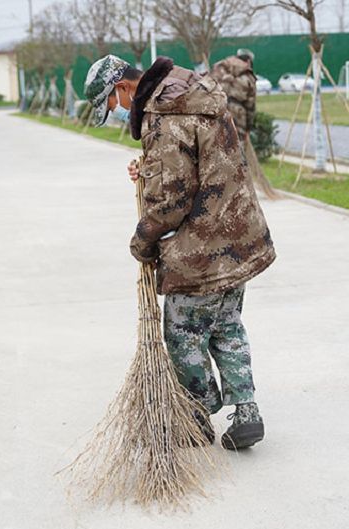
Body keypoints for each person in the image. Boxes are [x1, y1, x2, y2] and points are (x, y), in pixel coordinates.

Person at [84, 55, 277, 450]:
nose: (119, 113)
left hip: (203, 246)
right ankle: (246, 413)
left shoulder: (165, 114)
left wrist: (142, 241)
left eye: (113, 105)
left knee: (183, 333)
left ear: (123, 87)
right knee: (227, 325)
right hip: (239, 235)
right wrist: (149, 166)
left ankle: (197, 415)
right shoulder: (187, 89)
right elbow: (196, 160)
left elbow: (171, 200)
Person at [210, 49, 257, 142]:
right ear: (248, 61)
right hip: (237, 117)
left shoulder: (220, 69)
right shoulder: (248, 76)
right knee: (237, 148)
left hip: (215, 113)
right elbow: (250, 105)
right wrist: (248, 127)